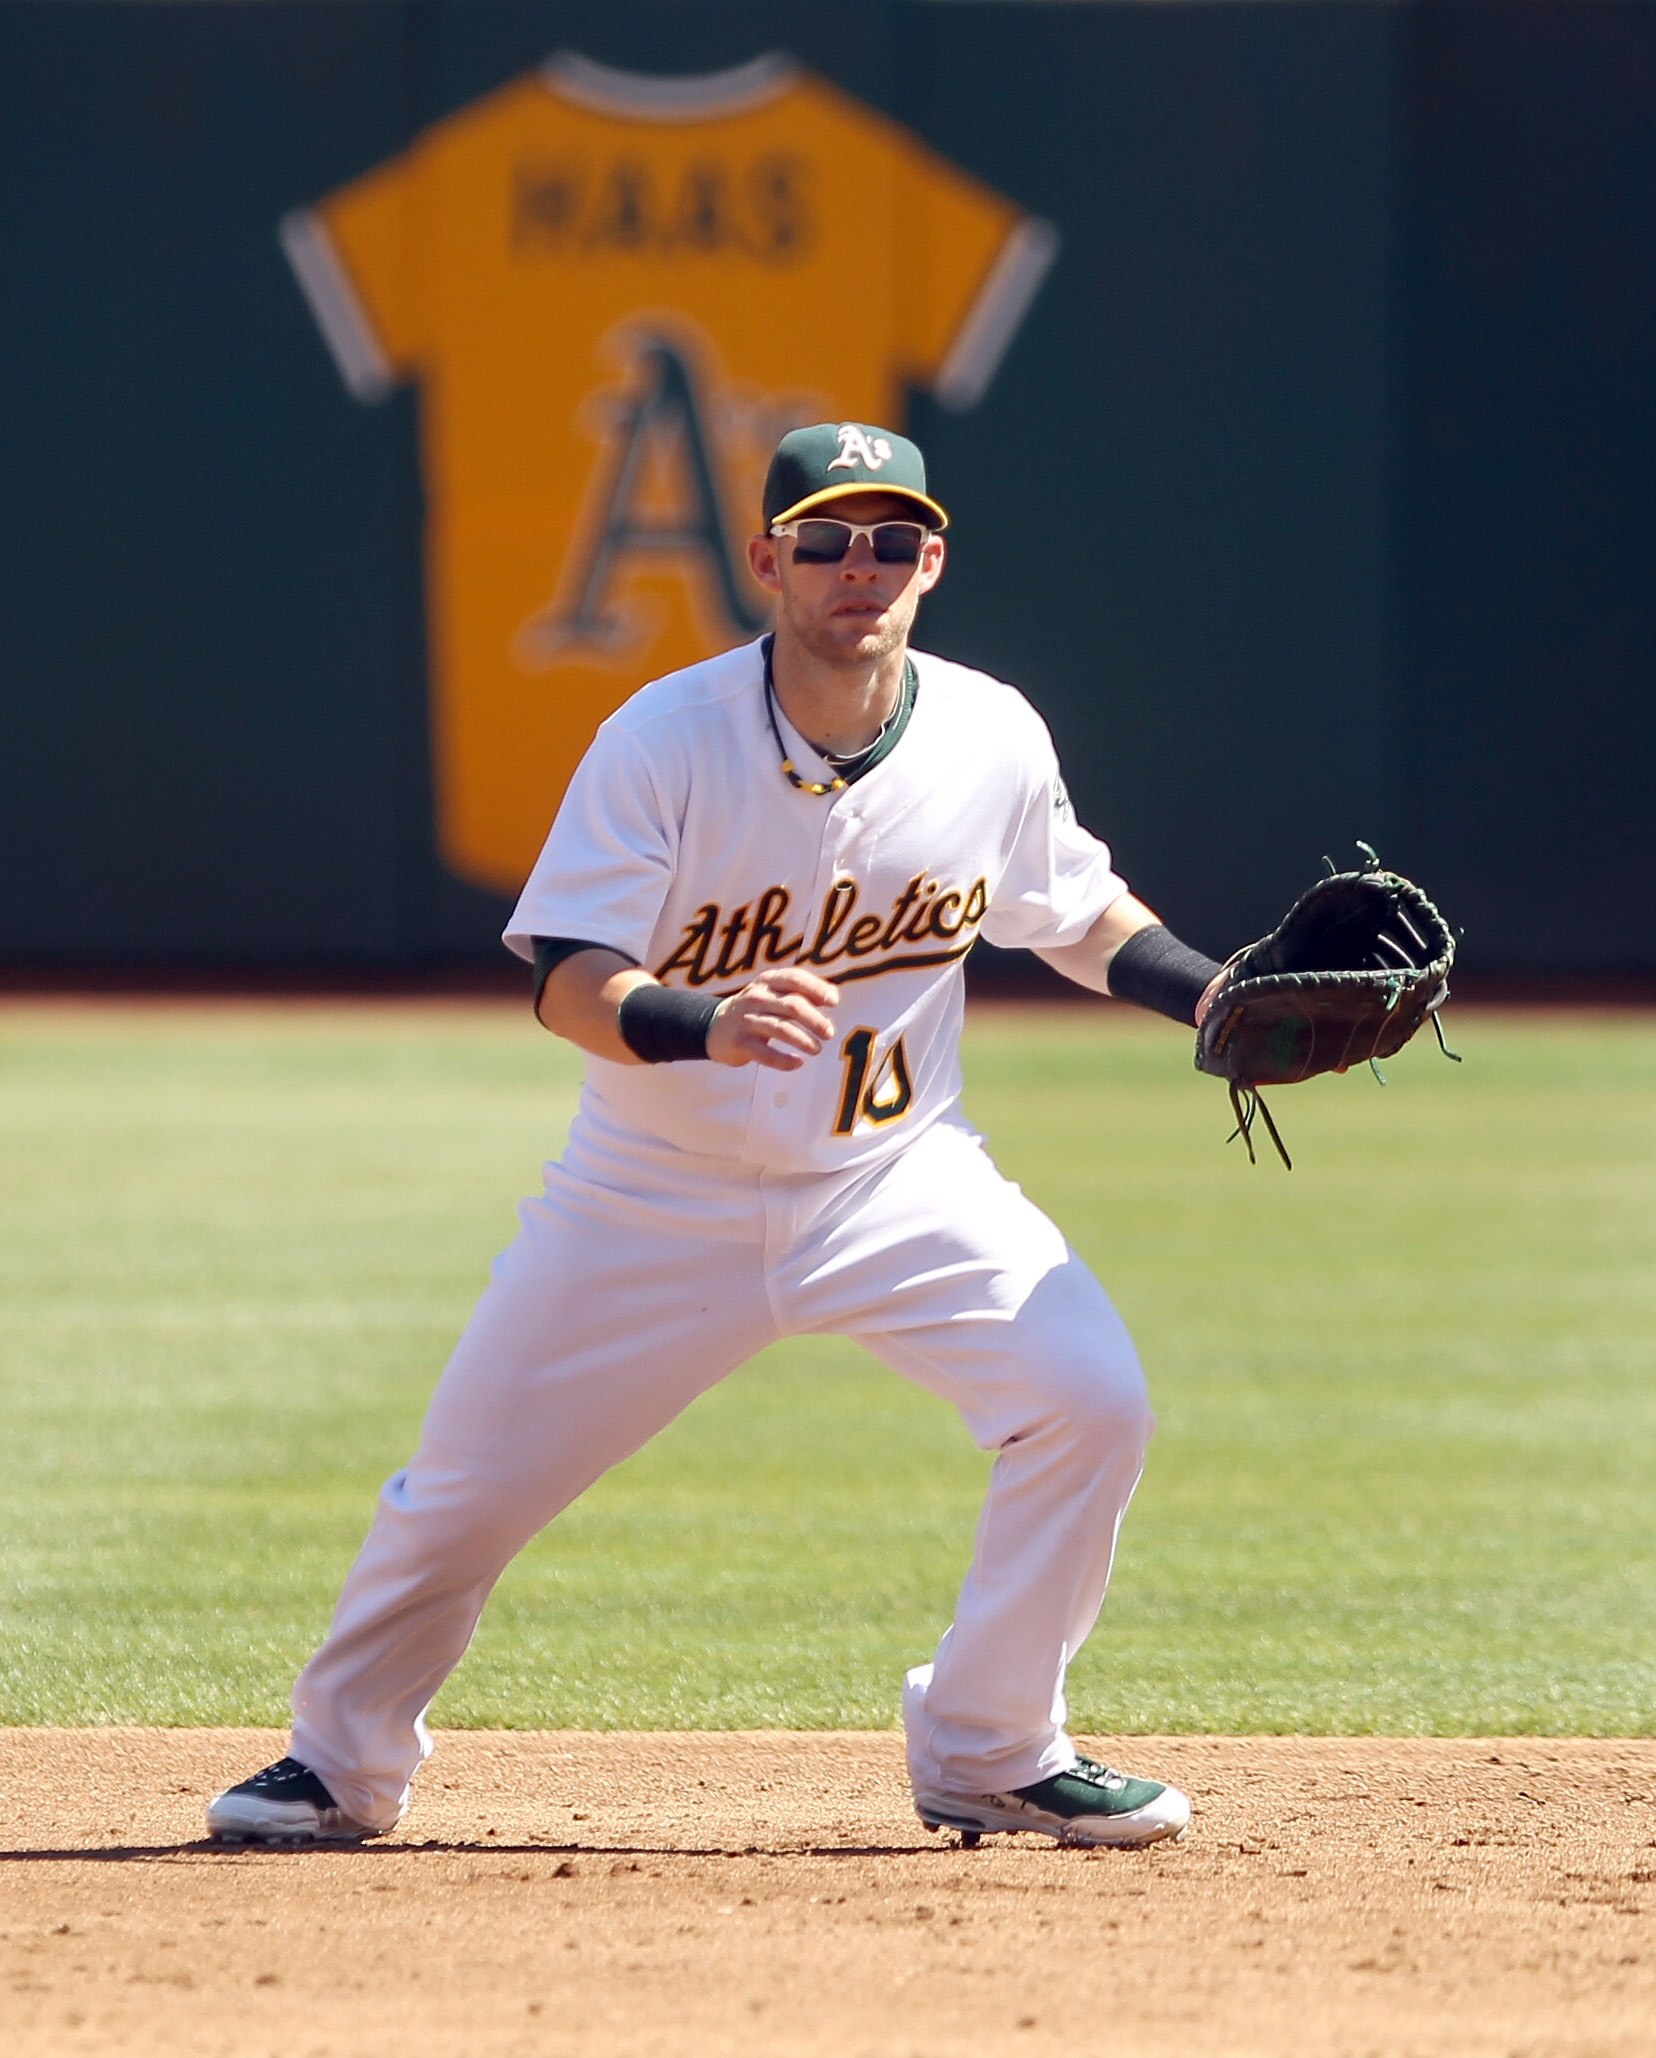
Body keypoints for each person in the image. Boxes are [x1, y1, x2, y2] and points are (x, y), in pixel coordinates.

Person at [207, 422, 1230, 1851]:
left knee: (1091, 1397)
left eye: (889, 539)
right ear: (767, 562)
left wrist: (1213, 992)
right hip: (651, 1194)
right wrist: (704, 1019)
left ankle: (994, 1743)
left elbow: (1077, 910)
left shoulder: (992, 731)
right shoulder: (664, 740)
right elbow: (567, 978)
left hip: (894, 1178)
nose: (856, 567)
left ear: (933, 559)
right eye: (823, 539)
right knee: (464, 1489)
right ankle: (339, 1761)